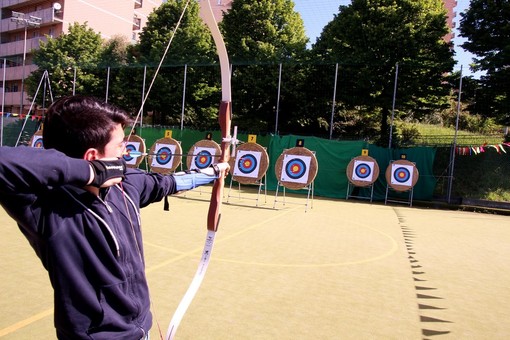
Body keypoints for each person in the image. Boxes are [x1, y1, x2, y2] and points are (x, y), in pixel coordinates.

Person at [0, 95, 229, 339]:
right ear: (92, 157)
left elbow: (167, 182)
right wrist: (90, 173)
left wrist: (213, 172)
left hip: (142, 331)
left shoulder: (126, 185)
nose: (126, 150)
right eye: (120, 145)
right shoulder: (44, 205)